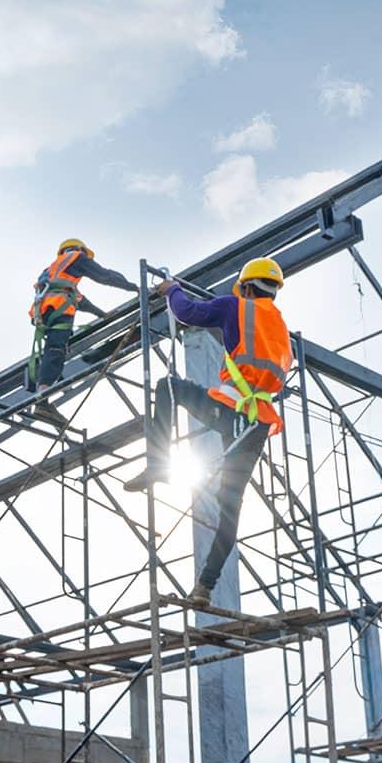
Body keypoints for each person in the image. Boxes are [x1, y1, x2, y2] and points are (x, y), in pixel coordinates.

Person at [123, 258, 291, 606]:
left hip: (230, 408)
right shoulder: (279, 327)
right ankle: (204, 588)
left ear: (246, 286)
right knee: (231, 507)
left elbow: (188, 314)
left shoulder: (235, 306)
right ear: (273, 291)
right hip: (257, 423)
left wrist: (173, 290)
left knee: (167, 387)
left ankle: (158, 464)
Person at [27, 238, 136, 424]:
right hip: (60, 308)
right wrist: (135, 287)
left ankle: (42, 396)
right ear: (78, 250)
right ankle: (43, 399)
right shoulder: (77, 257)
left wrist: (101, 314)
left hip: (45, 312)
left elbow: (79, 299)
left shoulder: (52, 271)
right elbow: (104, 276)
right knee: (56, 349)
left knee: (53, 348)